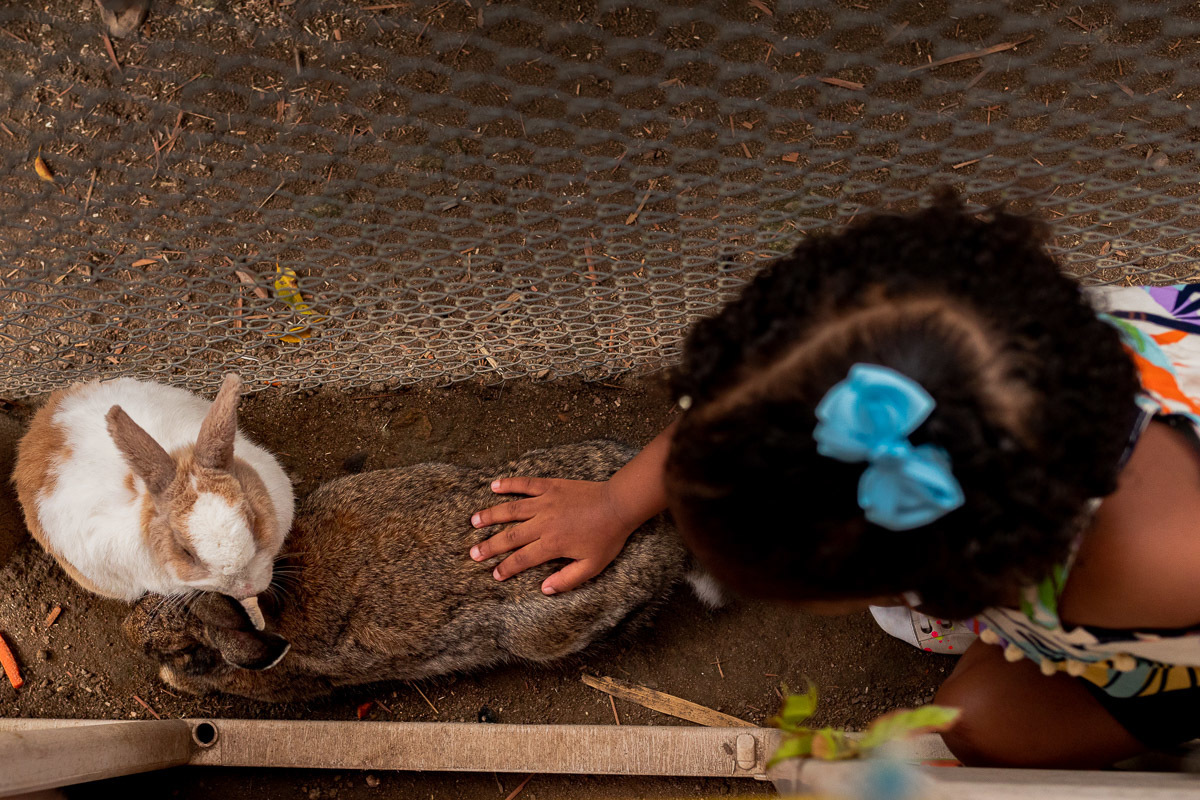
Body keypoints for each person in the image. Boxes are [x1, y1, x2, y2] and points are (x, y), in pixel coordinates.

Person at [470, 194, 1200, 767]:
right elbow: (768, 404)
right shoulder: (987, 343)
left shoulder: (1160, 581)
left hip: (1168, 665)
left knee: (982, 729)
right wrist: (616, 499)